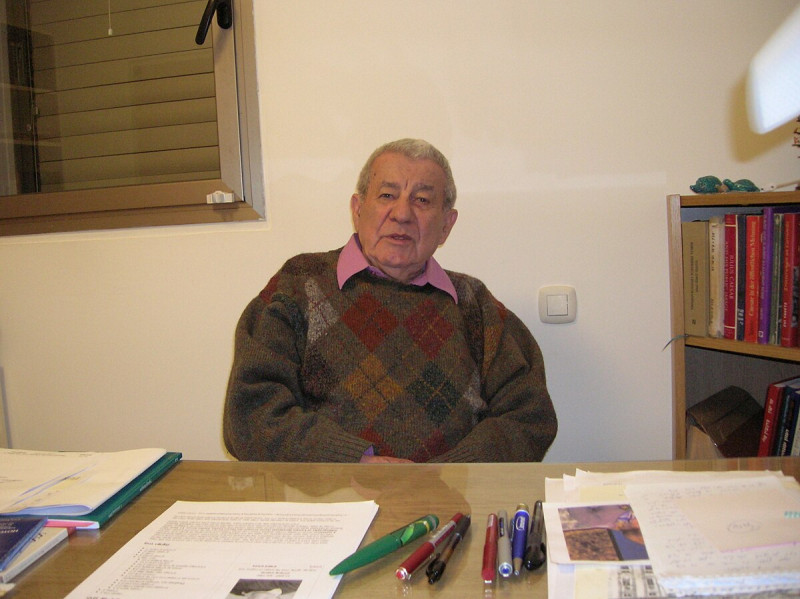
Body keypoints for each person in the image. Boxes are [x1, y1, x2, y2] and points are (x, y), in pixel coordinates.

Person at [223, 138, 557, 463]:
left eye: (422, 200)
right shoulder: (299, 283)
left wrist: (449, 475)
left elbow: (529, 418)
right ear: (358, 209)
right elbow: (250, 416)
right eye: (387, 195)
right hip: (333, 497)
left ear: (446, 225)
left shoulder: (475, 305)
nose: (402, 214)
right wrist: (355, 463)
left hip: (450, 496)